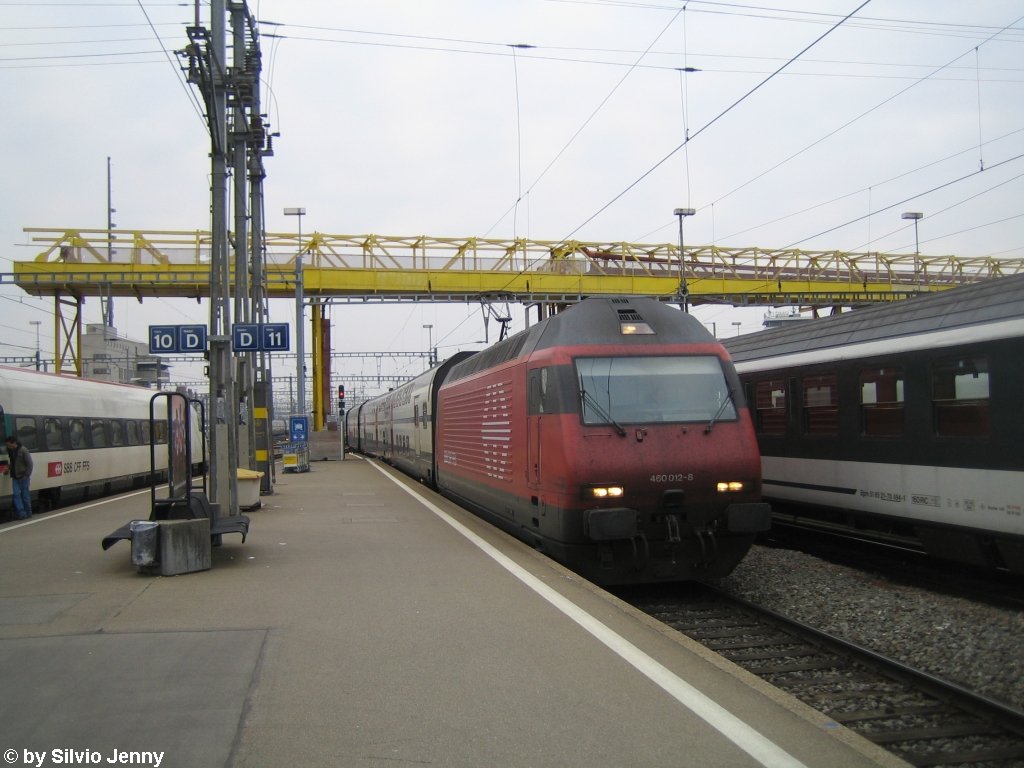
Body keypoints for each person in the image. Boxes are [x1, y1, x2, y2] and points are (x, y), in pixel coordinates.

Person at [3, 436, 33, 520]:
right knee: (16, 495)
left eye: (8, 445)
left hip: (23, 477)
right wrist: (8, 468)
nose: (7, 447)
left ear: (14, 443)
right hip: (15, 477)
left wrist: (26, 475)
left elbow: (30, 464)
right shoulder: (11, 451)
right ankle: (22, 514)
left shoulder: (23, 450)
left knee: (25, 495)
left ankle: (28, 512)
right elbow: (13, 463)